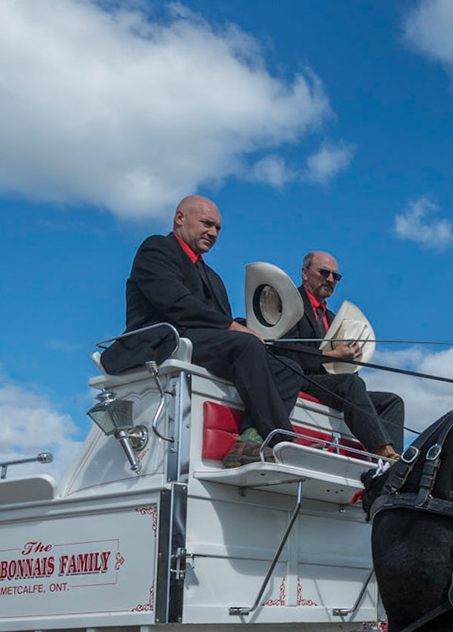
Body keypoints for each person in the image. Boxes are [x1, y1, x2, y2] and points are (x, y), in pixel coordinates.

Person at [103, 195, 303, 466]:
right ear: (180, 218)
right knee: (245, 345)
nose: (213, 233)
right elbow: (175, 303)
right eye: (207, 224)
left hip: (203, 342)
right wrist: (234, 328)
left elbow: (223, 321)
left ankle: (250, 440)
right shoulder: (157, 248)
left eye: (218, 228)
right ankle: (281, 438)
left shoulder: (214, 278)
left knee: (289, 367)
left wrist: (248, 329)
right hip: (164, 339)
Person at [279, 251, 405, 459]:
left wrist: (350, 359)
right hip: (300, 379)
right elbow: (284, 349)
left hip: (333, 384)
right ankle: (382, 451)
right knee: (351, 384)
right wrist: (330, 355)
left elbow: (341, 366)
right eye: (324, 272)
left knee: (392, 401)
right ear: (304, 273)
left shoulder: (333, 318)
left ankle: (393, 467)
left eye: (335, 276)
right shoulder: (289, 303)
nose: (330, 280)